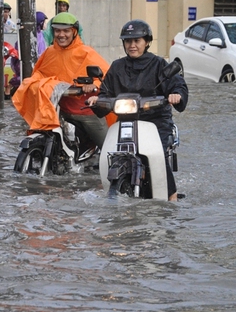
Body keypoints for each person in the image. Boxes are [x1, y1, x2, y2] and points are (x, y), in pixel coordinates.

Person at [87, 20, 189, 201]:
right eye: (128, 41)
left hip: (155, 120)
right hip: (126, 120)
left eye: (137, 41)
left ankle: (171, 196)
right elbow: (105, 92)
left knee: (159, 156)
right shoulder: (117, 67)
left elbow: (177, 83)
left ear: (147, 42)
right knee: (110, 153)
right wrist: (97, 99)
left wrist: (176, 94)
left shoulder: (159, 64)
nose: (132, 45)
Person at [13, 12, 110, 148]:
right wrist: (31, 83)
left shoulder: (86, 52)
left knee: (108, 149)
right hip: (59, 112)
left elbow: (106, 76)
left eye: (66, 31)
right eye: (57, 30)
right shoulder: (49, 52)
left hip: (86, 112)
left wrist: (94, 84)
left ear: (74, 32)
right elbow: (40, 74)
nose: (61, 34)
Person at [10, 11, 48, 91]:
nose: (45, 24)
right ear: (40, 23)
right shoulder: (33, 35)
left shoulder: (40, 34)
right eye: (44, 22)